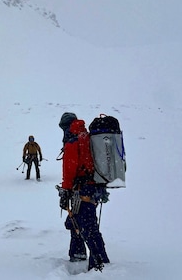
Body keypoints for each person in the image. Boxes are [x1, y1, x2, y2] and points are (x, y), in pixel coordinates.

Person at [57, 112, 110, 271]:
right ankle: (77, 254)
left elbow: (69, 168)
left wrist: (65, 191)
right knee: (77, 221)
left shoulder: (74, 140)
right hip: (92, 188)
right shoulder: (87, 137)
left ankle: (100, 263)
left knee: (87, 226)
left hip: (82, 189)